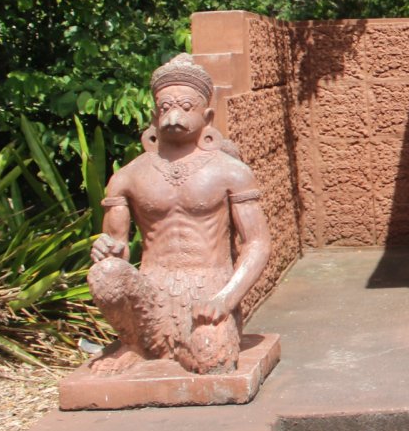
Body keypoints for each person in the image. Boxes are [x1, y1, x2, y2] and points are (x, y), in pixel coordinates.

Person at [86, 55, 272, 374]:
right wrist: (106, 250)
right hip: (150, 298)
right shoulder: (128, 177)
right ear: (154, 115)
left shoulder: (230, 172)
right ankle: (134, 343)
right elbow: (117, 246)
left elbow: (257, 243)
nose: (173, 115)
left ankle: (195, 341)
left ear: (207, 115)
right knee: (105, 274)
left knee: (212, 360)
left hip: (208, 298)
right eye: (165, 107)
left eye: (186, 107)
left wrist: (225, 299)